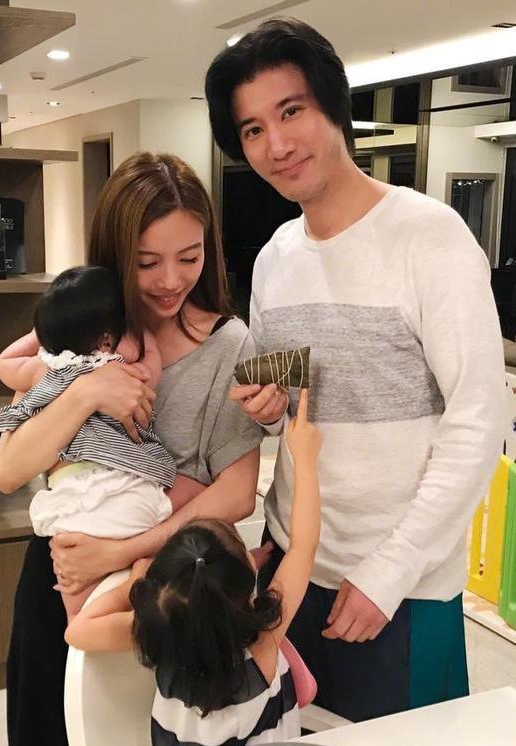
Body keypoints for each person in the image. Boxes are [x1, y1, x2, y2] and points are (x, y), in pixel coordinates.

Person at [205, 18, 506, 722]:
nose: (277, 145)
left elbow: (477, 420)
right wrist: (265, 402)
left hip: (398, 586)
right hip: (291, 565)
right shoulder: (276, 258)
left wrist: (389, 571)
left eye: (291, 111)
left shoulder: (430, 237)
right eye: (253, 129)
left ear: (334, 106)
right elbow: (295, 395)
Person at [0, 152, 263, 746]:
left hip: (166, 586)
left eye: (189, 257)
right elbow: (9, 470)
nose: (170, 280)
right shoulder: (81, 315)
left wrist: (121, 549)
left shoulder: (229, 344)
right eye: (146, 262)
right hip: (63, 568)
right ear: (117, 255)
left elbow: (239, 492)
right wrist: (88, 391)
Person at [65, 390, 321, 746]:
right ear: (247, 583)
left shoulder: (160, 632)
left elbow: (76, 632)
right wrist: (304, 460)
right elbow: (304, 548)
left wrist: (134, 587)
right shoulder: (263, 644)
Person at [0, 265, 203, 619]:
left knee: (77, 602)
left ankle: (83, 624)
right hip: (131, 494)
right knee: (195, 491)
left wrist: (44, 330)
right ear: (108, 338)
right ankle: (131, 589)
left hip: (72, 506)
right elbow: (153, 363)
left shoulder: (46, 368)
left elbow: (4, 363)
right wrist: (144, 333)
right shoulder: (127, 369)